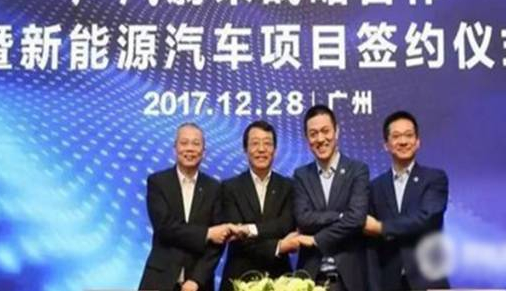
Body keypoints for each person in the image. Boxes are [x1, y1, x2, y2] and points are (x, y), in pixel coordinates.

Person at [139, 123, 233, 291]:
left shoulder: (215, 188)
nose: (190, 148)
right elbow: (165, 228)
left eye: (196, 144)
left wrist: (196, 280)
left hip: (199, 284)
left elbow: (218, 242)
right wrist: (207, 234)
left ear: (204, 151)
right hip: (160, 280)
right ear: (175, 148)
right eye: (184, 143)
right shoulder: (157, 182)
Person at [365, 111, 450, 291]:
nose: (403, 141)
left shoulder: (435, 179)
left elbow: (428, 219)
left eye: (409, 135)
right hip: (389, 283)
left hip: (428, 281)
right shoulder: (375, 187)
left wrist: (381, 227)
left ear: (418, 142)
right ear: (386, 145)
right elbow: (371, 246)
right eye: (396, 136)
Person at [293, 105, 370, 291]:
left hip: (349, 279)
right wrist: (341, 216)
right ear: (307, 138)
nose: (320, 139)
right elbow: (303, 219)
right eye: (313, 134)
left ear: (337, 131)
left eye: (325, 131)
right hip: (311, 279)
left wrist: (316, 240)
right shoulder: (301, 175)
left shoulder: (357, 170)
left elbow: (357, 219)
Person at [220, 120, 301, 291]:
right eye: (255, 143)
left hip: (280, 280)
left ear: (275, 150)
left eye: (267, 143)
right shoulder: (229, 188)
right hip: (239, 279)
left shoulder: (289, 186)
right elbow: (237, 237)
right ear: (245, 149)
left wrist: (250, 229)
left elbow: (286, 225)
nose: (261, 149)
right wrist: (279, 246)